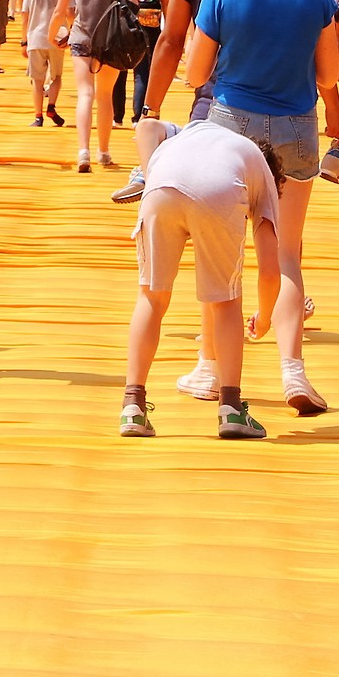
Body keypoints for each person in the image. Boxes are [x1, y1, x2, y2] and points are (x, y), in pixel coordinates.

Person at [183, 0, 339, 413]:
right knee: (287, 252)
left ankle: (210, 367)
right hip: (297, 126)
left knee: (220, 250)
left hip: (231, 124)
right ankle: (293, 370)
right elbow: (328, 74)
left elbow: (194, 74)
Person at [118, 117, 279, 442]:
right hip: (219, 192)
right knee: (226, 300)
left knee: (151, 296)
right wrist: (264, 318)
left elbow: (146, 126)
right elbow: (270, 271)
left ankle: (132, 405)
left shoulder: (192, 132)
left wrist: (152, 176)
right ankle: (231, 407)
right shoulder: (262, 171)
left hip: (160, 185)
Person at [52, 0, 134, 173]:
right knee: (105, 95)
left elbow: (60, 10)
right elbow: (132, 0)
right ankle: (104, 151)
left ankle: (83, 151)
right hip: (111, 38)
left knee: (85, 94)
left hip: (82, 36)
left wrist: (51, 35)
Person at [22, 0, 67, 126]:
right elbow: (69, 11)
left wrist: (23, 41)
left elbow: (25, 17)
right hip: (57, 37)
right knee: (56, 76)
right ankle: (51, 106)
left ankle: (38, 116)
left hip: (35, 38)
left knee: (37, 79)